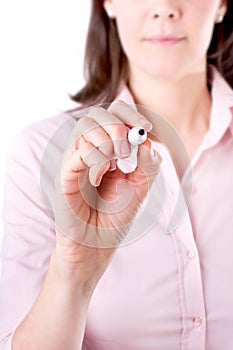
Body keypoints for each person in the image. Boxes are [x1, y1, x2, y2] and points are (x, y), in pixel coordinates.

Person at [1, 0, 233, 349]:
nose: (165, 8)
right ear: (108, 3)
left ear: (221, 5)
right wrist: (74, 273)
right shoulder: (40, 156)